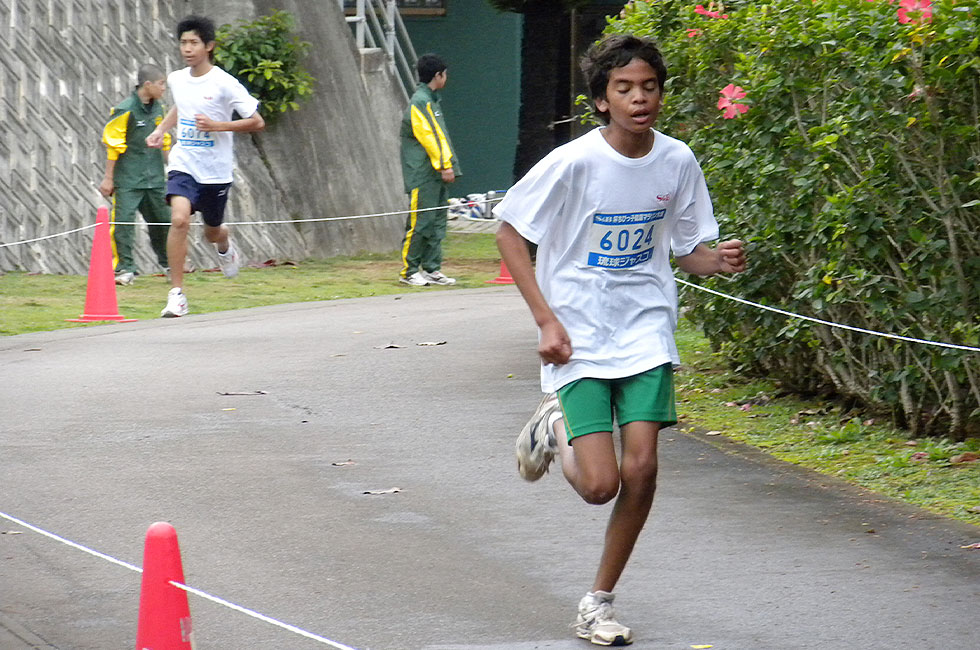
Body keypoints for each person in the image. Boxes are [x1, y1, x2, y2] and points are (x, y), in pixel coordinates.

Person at [494, 34, 747, 646]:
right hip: (578, 337)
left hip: (645, 332)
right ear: (602, 100)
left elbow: (686, 248)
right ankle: (552, 423)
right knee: (599, 485)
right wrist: (546, 321)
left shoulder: (678, 161)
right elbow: (508, 234)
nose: (639, 99)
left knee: (643, 468)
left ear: (661, 93)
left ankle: (598, 602)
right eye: (624, 89)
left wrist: (717, 261)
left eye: (649, 87)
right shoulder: (573, 163)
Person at [146, 15, 265, 318]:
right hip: (184, 163)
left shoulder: (225, 83)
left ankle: (224, 244)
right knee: (180, 220)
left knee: (212, 231)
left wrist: (218, 125)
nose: (187, 48)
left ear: (209, 46)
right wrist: (161, 130)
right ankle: (177, 295)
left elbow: (256, 121)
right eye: (183, 42)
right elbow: (180, 106)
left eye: (193, 43)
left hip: (215, 171)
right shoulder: (175, 79)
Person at [99, 64, 171, 286]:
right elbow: (114, 144)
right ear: (147, 85)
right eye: (161, 84)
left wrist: (174, 170)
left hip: (155, 179)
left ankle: (170, 263)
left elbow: (165, 140)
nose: (163, 89)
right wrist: (108, 178)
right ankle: (125, 269)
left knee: (164, 222)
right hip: (128, 180)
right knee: (123, 224)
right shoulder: (125, 109)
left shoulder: (160, 109)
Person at [398, 53, 461, 287]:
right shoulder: (420, 102)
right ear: (438, 75)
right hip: (423, 174)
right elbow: (430, 137)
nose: (446, 78)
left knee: (436, 222)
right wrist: (445, 165)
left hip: (434, 176)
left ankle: (432, 268)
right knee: (420, 222)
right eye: (445, 74)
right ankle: (409, 270)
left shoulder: (432, 101)